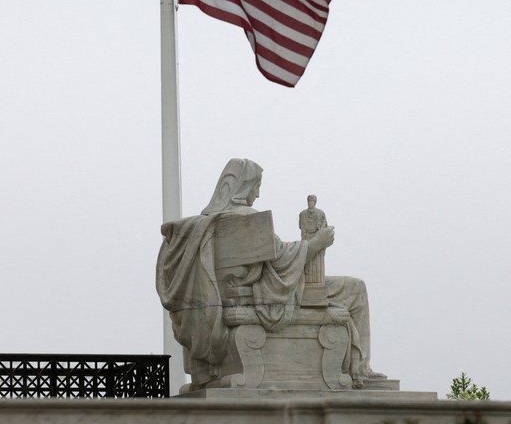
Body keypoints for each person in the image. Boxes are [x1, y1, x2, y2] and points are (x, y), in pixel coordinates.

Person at [156, 158, 384, 387]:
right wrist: (316, 243)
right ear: (243, 186)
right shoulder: (244, 216)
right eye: (256, 186)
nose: (257, 194)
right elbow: (280, 257)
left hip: (240, 291)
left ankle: (355, 365)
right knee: (355, 289)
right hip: (268, 291)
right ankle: (360, 368)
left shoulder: (205, 224)